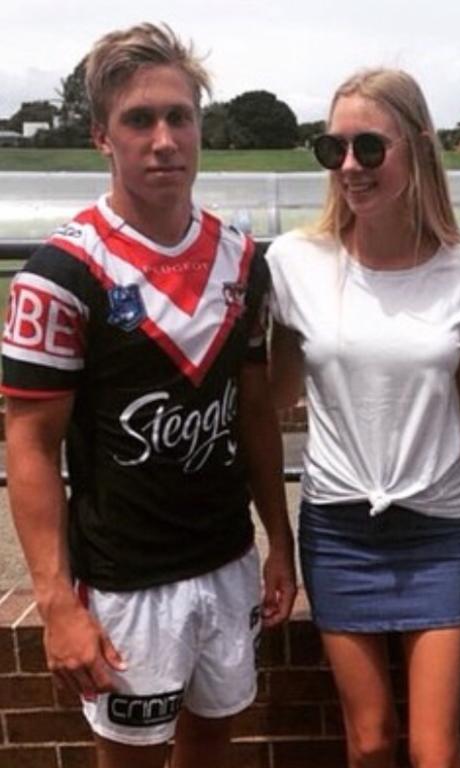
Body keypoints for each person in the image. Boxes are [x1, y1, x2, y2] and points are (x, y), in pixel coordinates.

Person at [1, 22, 296, 768]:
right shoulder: (61, 273)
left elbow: (255, 410)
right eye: (140, 119)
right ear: (103, 135)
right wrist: (58, 603)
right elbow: (29, 443)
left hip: (227, 561)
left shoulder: (240, 259)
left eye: (179, 116)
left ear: (201, 126)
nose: (164, 139)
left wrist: (279, 542)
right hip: (126, 582)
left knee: (213, 750)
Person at [266, 68, 460, 768]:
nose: (350, 167)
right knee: (372, 740)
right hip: (338, 528)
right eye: (333, 150)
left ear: (417, 148)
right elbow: (270, 400)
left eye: (370, 148)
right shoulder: (293, 264)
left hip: (436, 530)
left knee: (436, 753)